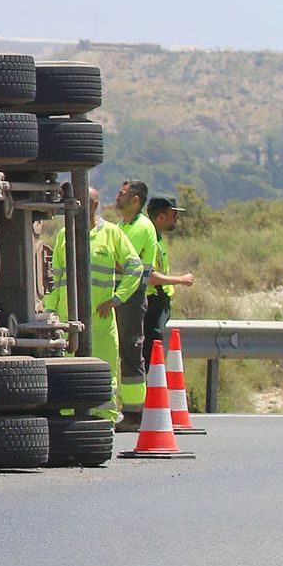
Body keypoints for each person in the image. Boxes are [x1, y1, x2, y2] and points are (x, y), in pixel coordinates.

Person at [43, 187, 145, 421]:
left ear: (94, 205)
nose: (77, 209)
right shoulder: (64, 235)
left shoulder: (111, 233)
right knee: (68, 372)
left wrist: (117, 298)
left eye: (82, 204)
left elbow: (135, 267)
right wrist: (51, 312)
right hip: (68, 319)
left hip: (100, 322)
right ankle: (68, 419)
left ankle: (104, 420)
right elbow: (55, 278)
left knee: (105, 372)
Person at [111, 179, 157, 419]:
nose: (118, 196)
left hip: (131, 294)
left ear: (135, 199)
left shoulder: (141, 227)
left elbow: (123, 262)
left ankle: (134, 412)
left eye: (123, 193)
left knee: (130, 348)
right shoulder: (122, 226)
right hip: (119, 295)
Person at [143, 194, 195, 365]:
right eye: (174, 215)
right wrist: (180, 280)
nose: (176, 219)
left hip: (157, 302)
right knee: (151, 347)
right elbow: (149, 276)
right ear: (161, 217)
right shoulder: (150, 239)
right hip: (152, 302)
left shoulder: (156, 237)